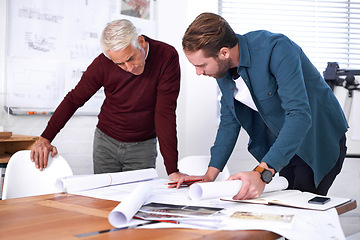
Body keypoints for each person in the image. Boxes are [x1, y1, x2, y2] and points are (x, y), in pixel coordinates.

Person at [177, 12, 348, 200]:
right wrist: (209, 177)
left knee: (300, 207)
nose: (198, 72)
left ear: (224, 52)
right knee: (282, 202)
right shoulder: (221, 70)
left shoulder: (277, 49)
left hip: (318, 138)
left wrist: (261, 173)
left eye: (202, 65)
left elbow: (299, 115)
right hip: (284, 144)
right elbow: (229, 123)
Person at [30, 19, 186, 181]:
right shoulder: (103, 63)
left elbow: (165, 113)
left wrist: (172, 170)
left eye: (131, 58)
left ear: (140, 41)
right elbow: (74, 99)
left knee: (138, 200)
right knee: (104, 201)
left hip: (143, 146)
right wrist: (45, 138)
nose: (130, 68)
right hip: (106, 143)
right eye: (121, 64)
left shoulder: (166, 56)